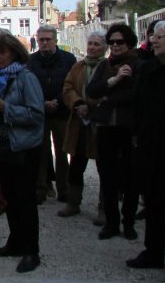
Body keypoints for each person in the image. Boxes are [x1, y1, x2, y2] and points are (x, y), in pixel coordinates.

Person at [0, 29, 44, 273]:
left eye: (2, 52)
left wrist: (6, 108)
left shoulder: (26, 78)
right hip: (1, 146)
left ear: (15, 53)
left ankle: (31, 251)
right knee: (11, 200)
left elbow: (37, 115)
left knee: (25, 200)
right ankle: (15, 242)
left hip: (23, 148)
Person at [126, 19, 165, 269]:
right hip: (150, 144)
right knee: (154, 201)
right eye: (154, 36)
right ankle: (153, 251)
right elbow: (138, 103)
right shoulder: (147, 68)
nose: (153, 40)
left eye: (160, 37)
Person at [86, 23, 142, 241]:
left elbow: (135, 94)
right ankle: (111, 222)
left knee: (129, 178)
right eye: (112, 42)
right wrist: (115, 80)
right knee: (107, 176)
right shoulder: (106, 65)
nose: (115, 46)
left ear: (129, 43)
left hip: (128, 128)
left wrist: (107, 98)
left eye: (120, 42)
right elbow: (92, 91)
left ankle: (128, 222)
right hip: (106, 127)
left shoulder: (138, 65)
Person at [58, 30, 107, 218]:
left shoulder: (108, 67)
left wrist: (93, 108)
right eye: (91, 44)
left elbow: (110, 90)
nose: (92, 47)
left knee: (104, 167)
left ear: (104, 48)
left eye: (97, 44)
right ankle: (73, 202)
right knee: (77, 164)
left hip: (100, 123)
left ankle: (104, 208)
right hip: (79, 122)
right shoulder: (78, 67)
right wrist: (78, 104)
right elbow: (68, 87)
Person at [27, 25, 76, 204]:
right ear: (37, 41)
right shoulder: (30, 61)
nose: (45, 43)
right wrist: (41, 103)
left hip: (61, 111)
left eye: (48, 39)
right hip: (39, 112)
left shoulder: (68, 59)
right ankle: (41, 188)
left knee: (63, 153)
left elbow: (71, 85)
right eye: (42, 40)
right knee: (40, 151)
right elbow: (28, 87)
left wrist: (57, 101)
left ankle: (64, 189)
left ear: (56, 40)